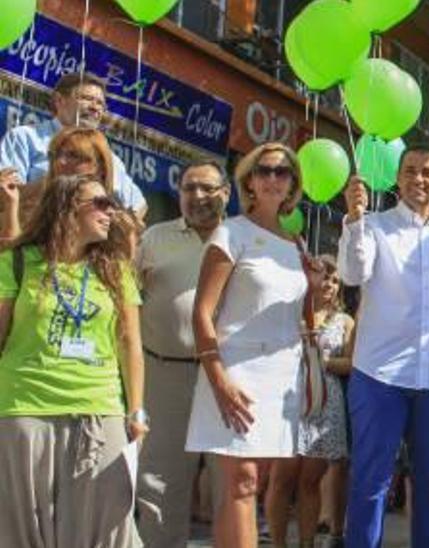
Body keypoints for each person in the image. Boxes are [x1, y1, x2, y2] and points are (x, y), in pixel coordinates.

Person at [186, 143, 323, 547]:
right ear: (249, 179)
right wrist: (218, 379)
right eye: (264, 170)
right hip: (236, 367)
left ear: (293, 184)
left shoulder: (296, 244)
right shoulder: (232, 231)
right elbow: (201, 312)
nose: (273, 178)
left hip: (281, 374)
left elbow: (295, 315)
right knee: (242, 481)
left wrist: (312, 291)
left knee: (250, 486)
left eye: (283, 172)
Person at [0, 174, 146, 546]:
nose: (109, 210)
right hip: (24, 408)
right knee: (26, 533)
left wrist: (136, 411)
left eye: (111, 202)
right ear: (66, 208)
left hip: (99, 410)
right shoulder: (17, 262)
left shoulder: (116, 269)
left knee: (107, 527)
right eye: (99, 202)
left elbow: (130, 345)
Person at [339, 145, 429, 548]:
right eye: (410, 171)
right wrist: (355, 220)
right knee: (370, 480)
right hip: (380, 374)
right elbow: (352, 272)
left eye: (428, 172)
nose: (419, 179)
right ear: (397, 178)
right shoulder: (374, 225)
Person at [136, 159, 231, 547]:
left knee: (231, 483)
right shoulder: (154, 239)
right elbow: (126, 297)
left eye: (206, 188)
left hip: (226, 379)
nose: (196, 196)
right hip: (165, 375)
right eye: (188, 188)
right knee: (158, 483)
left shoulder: (239, 237)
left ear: (226, 193)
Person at [267, 254, 355, 548]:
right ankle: (278, 543)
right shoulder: (289, 313)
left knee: (310, 481)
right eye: (324, 277)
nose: (329, 284)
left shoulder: (345, 321)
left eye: (335, 280)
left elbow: (353, 363)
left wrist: (322, 360)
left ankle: (307, 543)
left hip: (325, 404)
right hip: (288, 401)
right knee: (282, 479)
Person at [0, 73, 146, 216]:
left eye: (100, 103)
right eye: (87, 99)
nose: (95, 108)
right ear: (59, 100)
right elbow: (6, 194)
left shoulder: (109, 158)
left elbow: (139, 206)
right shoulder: (25, 137)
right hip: (34, 235)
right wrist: (61, 179)